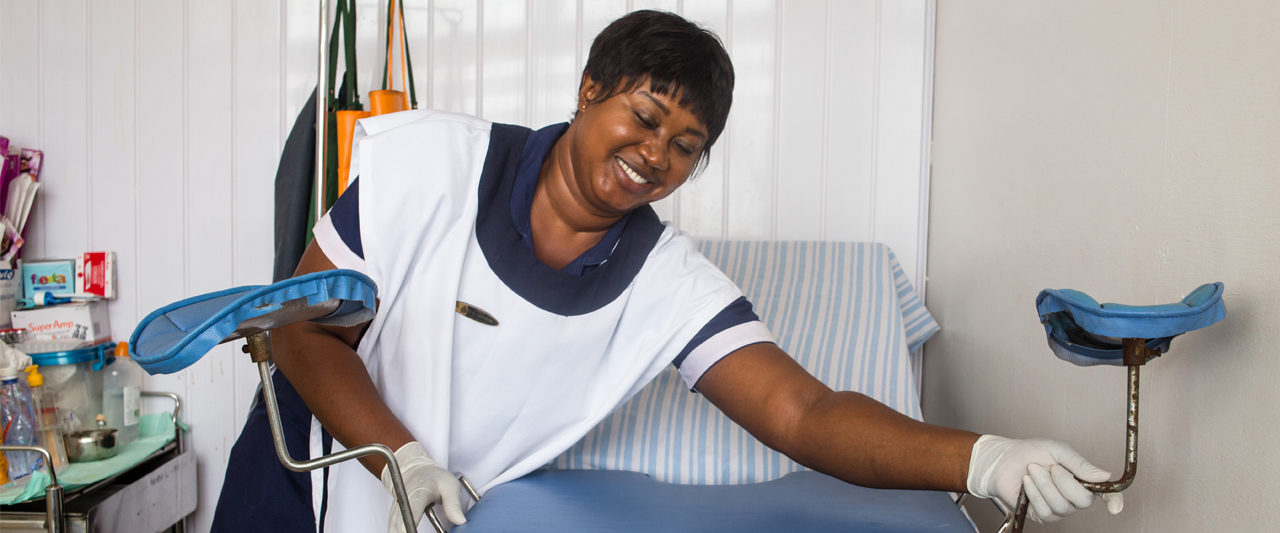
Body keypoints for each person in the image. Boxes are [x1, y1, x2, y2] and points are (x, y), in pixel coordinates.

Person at [212, 10, 1121, 533]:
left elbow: (805, 414)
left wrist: (984, 455)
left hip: (443, 510)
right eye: (645, 118)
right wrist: (399, 454)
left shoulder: (667, 283)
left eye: (687, 147)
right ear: (590, 91)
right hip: (310, 462)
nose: (656, 155)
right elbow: (301, 324)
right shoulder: (433, 164)